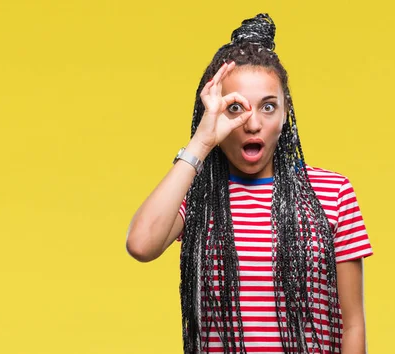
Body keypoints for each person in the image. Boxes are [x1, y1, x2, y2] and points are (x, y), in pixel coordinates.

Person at [126, 13, 373, 354]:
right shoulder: (196, 196)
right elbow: (141, 244)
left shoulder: (332, 193)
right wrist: (201, 141)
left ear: (286, 115)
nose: (253, 123)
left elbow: (353, 324)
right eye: (235, 108)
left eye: (268, 107)